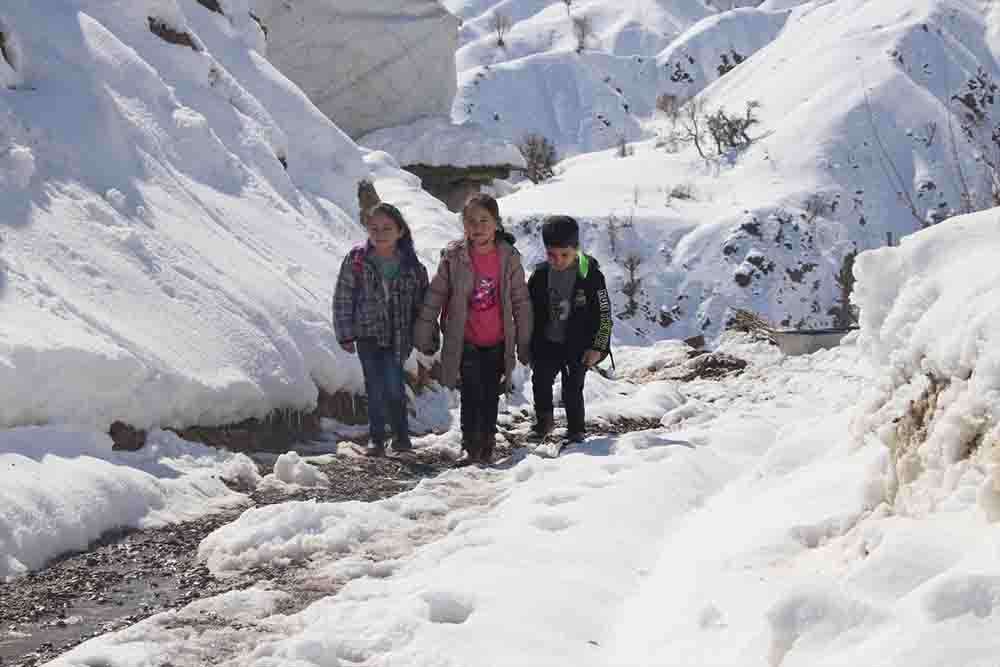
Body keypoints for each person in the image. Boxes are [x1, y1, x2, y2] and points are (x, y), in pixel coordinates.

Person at [415, 194, 533, 464]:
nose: (477, 227)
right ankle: (470, 446)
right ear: (463, 224)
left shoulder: (508, 257)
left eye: (484, 221)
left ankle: (487, 444)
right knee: (470, 392)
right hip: (465, 338)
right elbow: (436, 294)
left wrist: (524, 342)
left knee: (490, 393)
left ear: (496, 224)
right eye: (471, 221)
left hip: (497, 340)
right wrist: (425, 329)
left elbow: (520, 301)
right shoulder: (454, 257)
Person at [333, 202, 429, 456]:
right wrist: (345, 333)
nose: (380, 232)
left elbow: (422, 306)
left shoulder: (412, 266)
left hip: (398, 336)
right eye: (374, 228)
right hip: (368, 334)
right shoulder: (357, 260)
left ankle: (401, 436)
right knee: (374, 386)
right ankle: (376, 438)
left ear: (400, 231)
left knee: (394, 385)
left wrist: (426, 336)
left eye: (387, 227)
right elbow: (343, 296)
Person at [528, 215, 612, 444]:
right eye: (551, 255)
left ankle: (576, 429)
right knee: (541, 381)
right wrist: (527, 344)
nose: (558, 260)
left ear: (576, 249)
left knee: (572, 388)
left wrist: (599, 346)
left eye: (564, 255)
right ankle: (544, 422)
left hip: (579, 344)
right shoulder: (540, 276)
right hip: (547, 341)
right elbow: (530, 312)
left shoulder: (591, 275)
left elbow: (604, 314)